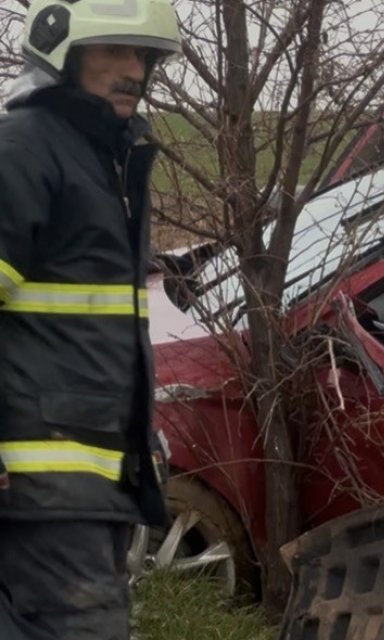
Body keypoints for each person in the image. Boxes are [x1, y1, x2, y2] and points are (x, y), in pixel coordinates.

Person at [0, 1, 184, 637]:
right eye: (114, 52)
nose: (131, 69)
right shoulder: (26, 150)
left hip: (84, 483)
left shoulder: (101, 159)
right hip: (42, 484)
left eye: (141, 56)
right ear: (62, 53)